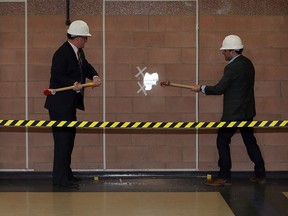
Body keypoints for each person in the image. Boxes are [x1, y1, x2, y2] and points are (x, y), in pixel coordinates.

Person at [191, 35, 266, 186]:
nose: (223, 53)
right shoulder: (248, 64)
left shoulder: (232, 67)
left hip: (233, 114)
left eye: (225, 50)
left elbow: (220, 89)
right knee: (250, 142)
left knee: (222, 140)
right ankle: (260, 174)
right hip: (247, 112)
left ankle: (224, 176)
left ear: (232, 51)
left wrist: (201, 88)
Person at [44, 20, 102, 189]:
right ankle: (60, 180)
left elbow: (86, 66)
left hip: (69, 106)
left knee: (69, 141)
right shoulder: (62, 53)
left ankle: (67, 174)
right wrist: (73, 82)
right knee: (62, 142)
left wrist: (95, 76)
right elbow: (57, 73)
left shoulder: (78, 52)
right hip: (59, 107)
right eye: (85, 38)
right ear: (77, 38)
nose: (86, 41)